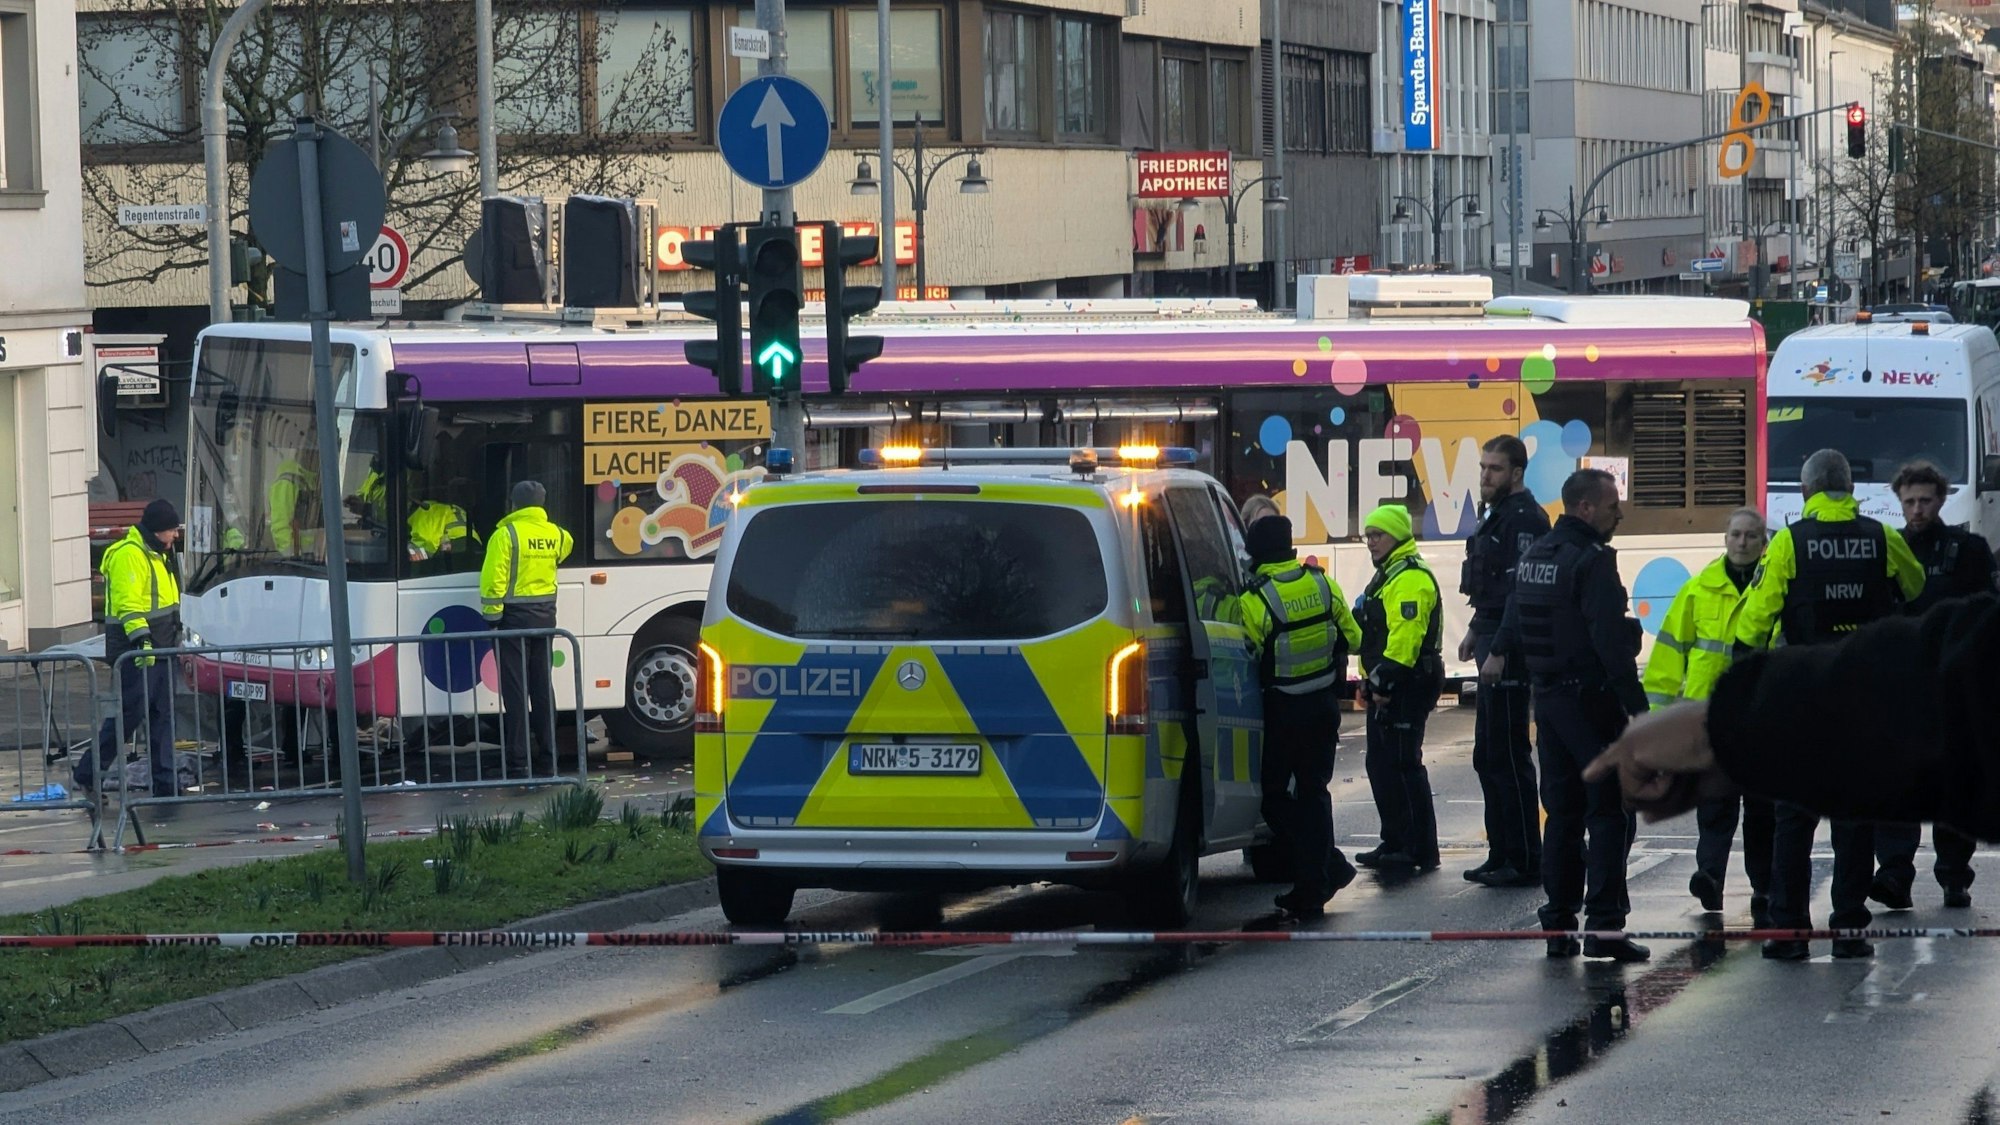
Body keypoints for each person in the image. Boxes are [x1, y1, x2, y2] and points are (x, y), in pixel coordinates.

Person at [1587, 594, 2000, 841]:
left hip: (1744, 724)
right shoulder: (1710, 583)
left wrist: (1729, 725)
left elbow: (1964, 690)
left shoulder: (1786, 549)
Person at [1731, 449, 1924, 961]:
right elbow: (1917, 585)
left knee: (1794, 820)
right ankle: (1850, 929)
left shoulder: (1790, 543)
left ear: (1808, 490)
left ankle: (1789, 930)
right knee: (1855, 820)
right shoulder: (1883, 537)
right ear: (1849, 489)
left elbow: (1752, 624)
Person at [1490, 468, 1650, 962]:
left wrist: (1496, 650)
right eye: (1611, 506)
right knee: (1609, 813)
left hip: (1550, 702)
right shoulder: (1592, 561)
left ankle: (1558, 922)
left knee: (1561, 814)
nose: (1618, 514)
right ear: (1586, 508)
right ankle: (1604, 928)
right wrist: (1639, 708)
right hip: (1591, 701)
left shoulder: (1537, 553)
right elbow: (1609, 644)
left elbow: (1515, 617)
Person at [1642, 508, 1773, 924]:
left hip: (1758, 719)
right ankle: (1710, 877)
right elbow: (1667, 657)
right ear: (1725, 539)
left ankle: (1764, 886)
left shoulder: (1774, 589)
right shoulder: (1697, 590)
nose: (1742, 542)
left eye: (1751, 536)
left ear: (1763, 543)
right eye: (1736, 534)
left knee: (1761, 810)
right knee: (1714, 803)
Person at [1872, 461, 1992, 911]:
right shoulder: (1887, 548)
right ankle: (1895, 875)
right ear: (1898, 503)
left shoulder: (1969, 550)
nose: (1917, 509)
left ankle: (1954, 876)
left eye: (1925, 501)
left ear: (1940, 500)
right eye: (1909, 502)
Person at [1237, 515, 1364, 918]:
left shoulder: (1254, 601)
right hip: (1324, 708)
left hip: (1283, 711)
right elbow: (1355, 639)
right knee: (1314, 793)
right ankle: (1317, 880)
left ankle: (1323, 871)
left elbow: (1244, 662)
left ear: (1254, 554)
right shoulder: (1323, 584)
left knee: (1275, 799)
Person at [1458, 435, 1550, 889]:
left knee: (1509, 757)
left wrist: (1498, 649)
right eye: (1483, 467)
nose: (1486, 476)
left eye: (1494, 469)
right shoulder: (1495, 514)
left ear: (1516, 473)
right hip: (1491, 634)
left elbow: (1521, 591)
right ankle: (1501, 852)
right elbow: (1491, 587)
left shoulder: (1526, 520)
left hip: (1508, 648)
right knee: (1487, 755)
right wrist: (1476, 630)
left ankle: (1525, 858)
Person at [1353, 504, 1443, 874]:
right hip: (1391, 684)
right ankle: (1395, 840)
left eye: (1379, 535)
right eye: (1369, 535)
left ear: (1398, 536)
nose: (1372, 542)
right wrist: (1368, 681)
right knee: (1381, 763)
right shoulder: (1388, 575)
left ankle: (1416, 848)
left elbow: (1404, 641)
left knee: (1403, 764)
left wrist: (1382, 682)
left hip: (1406, 684)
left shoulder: (1408, 578)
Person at [75, 500, 183, 796]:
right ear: (158, 529)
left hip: (160, 649)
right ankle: (87, 772)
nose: (176, 535)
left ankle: (166, 784)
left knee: (163, 717)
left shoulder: (157, 554)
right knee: (128, 717)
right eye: (172, 529)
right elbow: (128, 605)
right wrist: (142, 642)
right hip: (139, 652)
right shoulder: (130, 556)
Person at [481, 481, 574, 777]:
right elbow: (564, 552)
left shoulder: (505, 535)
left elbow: (493, 580)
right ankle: (549, 756)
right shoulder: (558, 535)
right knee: (542, 689)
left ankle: (519, 760)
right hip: (546, 620)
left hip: (513, 623)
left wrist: (492, 617)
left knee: (516, 691)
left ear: (514, 504)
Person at [268, 456, 320, 556]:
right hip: (297, 563)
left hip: (312, 559)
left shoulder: (312, 481)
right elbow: (281, 528)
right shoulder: (287, 482)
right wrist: (291, 559)